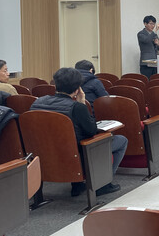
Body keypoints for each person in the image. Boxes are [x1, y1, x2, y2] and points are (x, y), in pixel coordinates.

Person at [31, 67, 128, 196]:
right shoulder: (77, 107)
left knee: (72, 140)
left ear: (55, 85)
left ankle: (77, 185)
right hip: (77, 158)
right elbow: (91, 132)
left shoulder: (37, 102)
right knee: (121, 140)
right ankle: (103, 184)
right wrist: (82, 103)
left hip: (44, 157)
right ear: (78, 89)